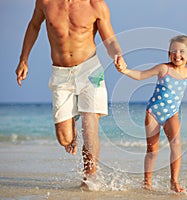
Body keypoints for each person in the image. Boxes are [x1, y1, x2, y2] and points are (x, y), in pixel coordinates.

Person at [15, 0, 126, 190]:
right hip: (61, 73)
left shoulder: (95, 5)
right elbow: (34, 25)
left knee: (90, 126)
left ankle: (89, 178)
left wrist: (117, 55)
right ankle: (72, 126)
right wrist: (23, 59)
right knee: (65, 139)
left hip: (90, 71)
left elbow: (110, 40)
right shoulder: (45, 2)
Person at [115, 35, 187, 192]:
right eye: (173, 51)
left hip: (171, 114)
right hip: (153, 113)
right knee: (152, 150)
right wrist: (125, 70)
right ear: (169, 54)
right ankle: (147, 182)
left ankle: (174, 181)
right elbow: (141, 76)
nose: (177, 55)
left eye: (181, 51)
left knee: (176, 145)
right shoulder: (164, 68)